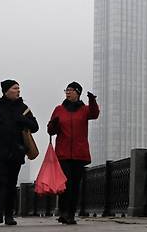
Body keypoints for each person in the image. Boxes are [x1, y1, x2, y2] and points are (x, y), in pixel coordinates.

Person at [0, 80, 39, 226]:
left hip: (17, 152)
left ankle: (9, 215)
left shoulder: (24, 109)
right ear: (6, 91)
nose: (18, 91)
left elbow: (35, 127)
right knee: (2, 181)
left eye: (19, 88)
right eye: (15, 88)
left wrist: (23, 120)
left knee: (11, 184)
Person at [47, 81, 100, 225]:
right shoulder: (59, 109)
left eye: (70, 90)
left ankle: (70, 214)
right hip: (63, 154)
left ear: (78, 92)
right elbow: (51, 130)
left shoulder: (85, 110)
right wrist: (53, 125)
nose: (67, 92)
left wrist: (92, 100)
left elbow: (95, 114)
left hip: (79, 154)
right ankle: (63, 212)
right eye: (66, 90)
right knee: (65, 185)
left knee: (75, 185)